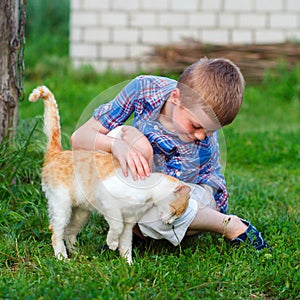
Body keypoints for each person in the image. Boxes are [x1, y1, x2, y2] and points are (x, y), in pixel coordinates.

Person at [71, 57, 271, 251]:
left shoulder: (198, 145)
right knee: (113, 142)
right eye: (196, 126)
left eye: (210, 131)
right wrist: (115, 144)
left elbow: (169, 194)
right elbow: (79, 138)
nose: (202, 136)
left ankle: (229, 224)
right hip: (154, 186)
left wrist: (143, 149)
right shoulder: (143, 89)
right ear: (175, 97)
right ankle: (138, 230)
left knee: (157, 212)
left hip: (195, 194)